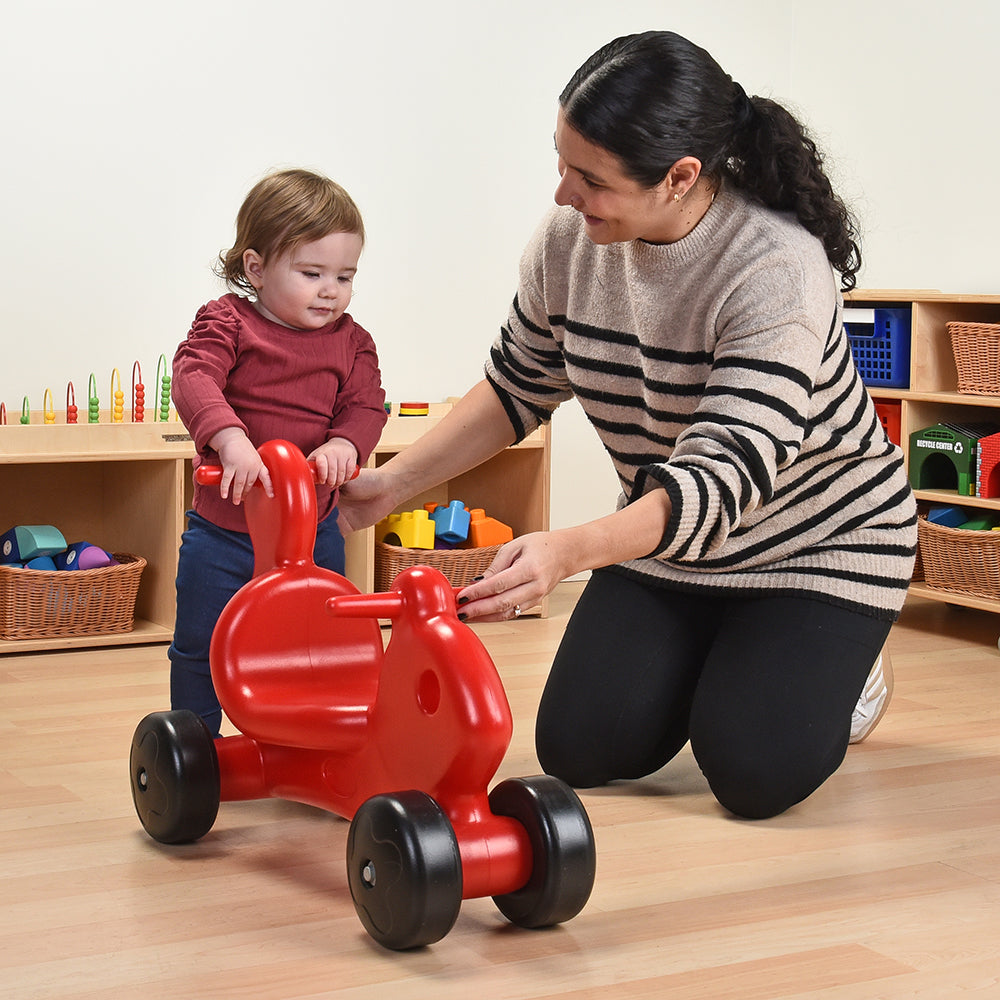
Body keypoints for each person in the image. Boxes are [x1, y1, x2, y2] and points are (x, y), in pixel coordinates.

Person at [338, 31, 917, 819]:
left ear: (679, 178)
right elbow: (515, 386)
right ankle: (729, 654)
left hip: (815, 544)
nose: (562, 195)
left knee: (752, 771)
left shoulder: (777, 269)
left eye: (590, 178)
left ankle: (844, 665)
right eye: (561, 161)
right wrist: (387, 484)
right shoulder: (571, 243)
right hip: (675, 544)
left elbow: (721, 480)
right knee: (582, 747)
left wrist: (569, 552)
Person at [169, 168, 387, 737]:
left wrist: (346, 442)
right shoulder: (228, 322)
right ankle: (195, 748)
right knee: (200, 643)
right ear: (256, 268)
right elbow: (193, 378)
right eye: (311, 273)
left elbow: (367, 407)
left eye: (345, 275)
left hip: (313, 532)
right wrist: (230, 439)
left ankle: (313, 738)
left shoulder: (353, 341)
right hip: (223, 534)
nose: (330, 289)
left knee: (320, 646)